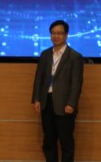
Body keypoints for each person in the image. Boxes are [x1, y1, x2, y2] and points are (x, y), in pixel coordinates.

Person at [32, 19, 84, 162]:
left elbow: (76, 83)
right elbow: (39, 78)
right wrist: (37, 99)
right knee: (48, 142)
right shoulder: (45, 54)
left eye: (59, 33)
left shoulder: (75, 56)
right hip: (46, 103)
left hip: (65, 105)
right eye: (53, 33)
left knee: (66, 143)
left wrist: (71, 104)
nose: (56, 36)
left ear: (66, 35)